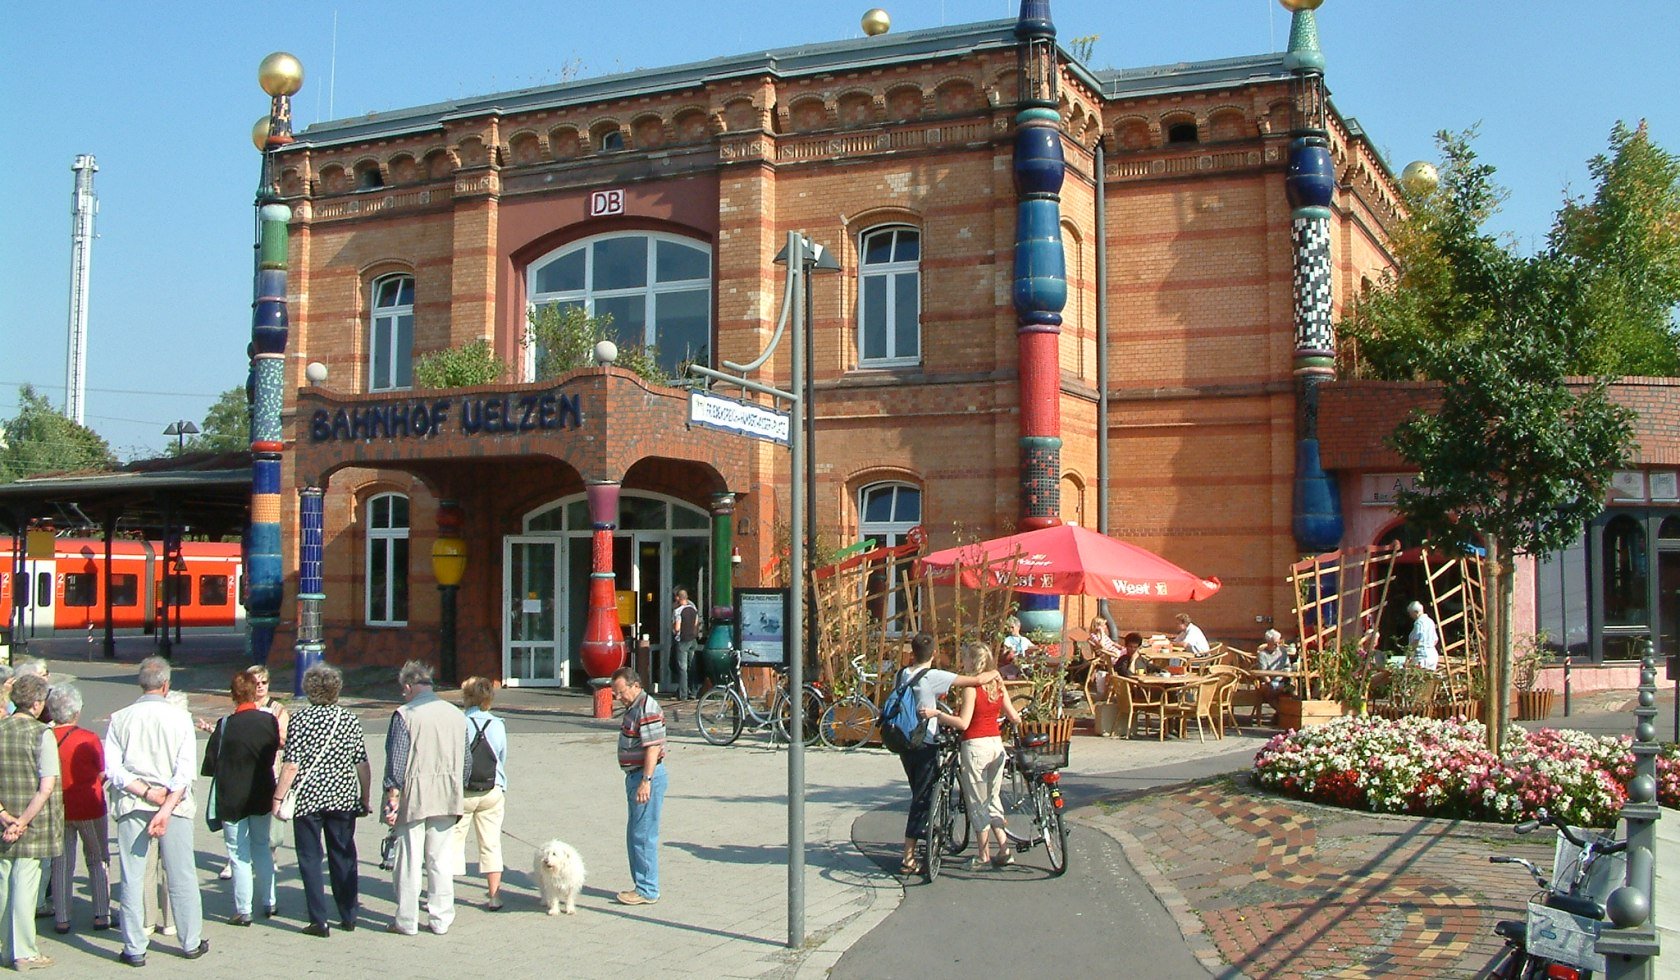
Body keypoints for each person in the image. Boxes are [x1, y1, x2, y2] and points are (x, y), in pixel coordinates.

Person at [103, 656, 207, 965]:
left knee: (133, 876)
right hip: (174, 804)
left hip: (133, 802)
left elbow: (114, 769)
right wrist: (165, 807)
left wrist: (145, 791)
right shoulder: (180, 719)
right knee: (181, 873)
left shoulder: (120, 718)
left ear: (141, 683)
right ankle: (190, 940)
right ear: (166, 685)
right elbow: (185, 772)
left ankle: (134, 946)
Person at [273, 663, 370, 938]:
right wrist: (363, 796)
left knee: (310, 857)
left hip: (308, 798)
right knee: (343, 854)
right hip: (342, 796)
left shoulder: (300, 720)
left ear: (309, 689)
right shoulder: (349, 719)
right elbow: (362, 762)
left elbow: (291, 764)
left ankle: (319, 919)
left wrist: (278, 797)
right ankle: (349, 913)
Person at [893, 632, 1000, 876]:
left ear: (912, 653)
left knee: (918, 791)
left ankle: (924, 832)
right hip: (925, 742)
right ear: (932, 654)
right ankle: (908, 856)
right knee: (922, 798)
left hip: (903, 741)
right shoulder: (932, 676)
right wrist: (995, 672)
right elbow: (974, 681)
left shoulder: (902, 674)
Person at [919, 642, 1021, 870]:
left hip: (975, 746)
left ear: (971, 662)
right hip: (996, 745)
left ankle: (983, 855)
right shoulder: (997, 683)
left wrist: (937, 715)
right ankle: (1004, 850)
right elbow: (1013, 716)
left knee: (977, 802)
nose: (961, 662)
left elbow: (964, 723)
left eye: (964, 658)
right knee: (993, 799)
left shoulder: (970, 689)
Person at [382, 660, 466, 936]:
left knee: (409, 859)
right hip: (448, 792)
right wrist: (458, 787)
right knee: (440, 860)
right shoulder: (456, 714)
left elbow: (396, 761)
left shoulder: (405, 714)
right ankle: (441, 918)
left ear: (408, 686)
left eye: (403, 691)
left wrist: (391, 796)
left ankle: (406, 920)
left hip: (414, 794)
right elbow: (466, 761)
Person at [202, 671, 280, 927]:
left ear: (233, 695)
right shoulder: (269, 721)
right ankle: (270, 902)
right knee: (262, 848)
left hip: (232, 796)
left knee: (238, 854)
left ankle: (243, 909)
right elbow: (272, 755)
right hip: (261, 792)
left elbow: (211, 765)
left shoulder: (225, 725)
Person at [0, 673, 62, 972]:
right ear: (37, 704)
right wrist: (22, 822)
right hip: (32, 824)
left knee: (3, 883)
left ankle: (3, 946)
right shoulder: (42, 734)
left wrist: (4, 816)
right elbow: (46, 786)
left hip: (3, 820)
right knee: (25, 886)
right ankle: (24, 951)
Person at [47, 683, 110, 935]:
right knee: (97, 858)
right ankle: (101, 913)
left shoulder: (46, 738)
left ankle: (62, 916)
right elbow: (102, 772)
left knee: (61, 861)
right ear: (75, 711)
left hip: (58, 807)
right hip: (89, 805)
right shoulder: (89, 738)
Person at [450, 676, 508, 911]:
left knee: (453, 842)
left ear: (467, 698)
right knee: (491, 844)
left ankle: (446, 895)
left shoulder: (458, 722)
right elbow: (502, 758)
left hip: (462, 792)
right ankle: (494, 895)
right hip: (492, 789)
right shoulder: (498, 723)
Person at [611, 666, 665, 906]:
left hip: (645, 777)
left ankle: (647, 889)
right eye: (616, 693)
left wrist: (646, 781)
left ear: (635, 685)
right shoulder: (634, 707)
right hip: (634, 777)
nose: (618, 697)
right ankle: (641, 884)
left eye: (621, 692)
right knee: (635, 833)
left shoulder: (647, 707)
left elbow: (653, 747)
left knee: (643, 835)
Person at [670, 589, 700, 700]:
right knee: (692, 666)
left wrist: (673, 628)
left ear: (678, 598)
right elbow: (696, 626)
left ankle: (683, 694)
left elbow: (677, 628)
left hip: (682, 641)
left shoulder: (678, 611)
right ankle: (693, 691)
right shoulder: (693, 609)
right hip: (692, 640)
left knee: (682, 668)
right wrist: (694, 635)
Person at [1406, 601, 1439, 671]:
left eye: (1410, 613)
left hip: (1422, 656)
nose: (1410, 616)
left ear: (1416, 612)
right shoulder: (1430, 621)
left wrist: (1409, 656)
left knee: (1418, 678)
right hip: (1432, 655)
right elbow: (1435, 640)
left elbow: (1417, 639)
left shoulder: (1419, 623)